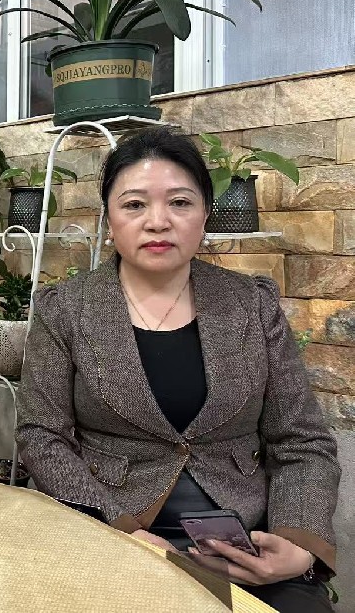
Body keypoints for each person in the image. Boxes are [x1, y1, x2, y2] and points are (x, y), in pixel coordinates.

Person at [17, 128, 340, 612]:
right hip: (112, 534)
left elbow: (302, 440)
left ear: (205, 215)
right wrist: (119, 528)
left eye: (180, 203)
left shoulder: (251, 304)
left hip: (242, 545)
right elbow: (42, 436)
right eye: (134, 205)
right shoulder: (65, 309)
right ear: (109, 218)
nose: (158, 222)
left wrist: (298, 541)